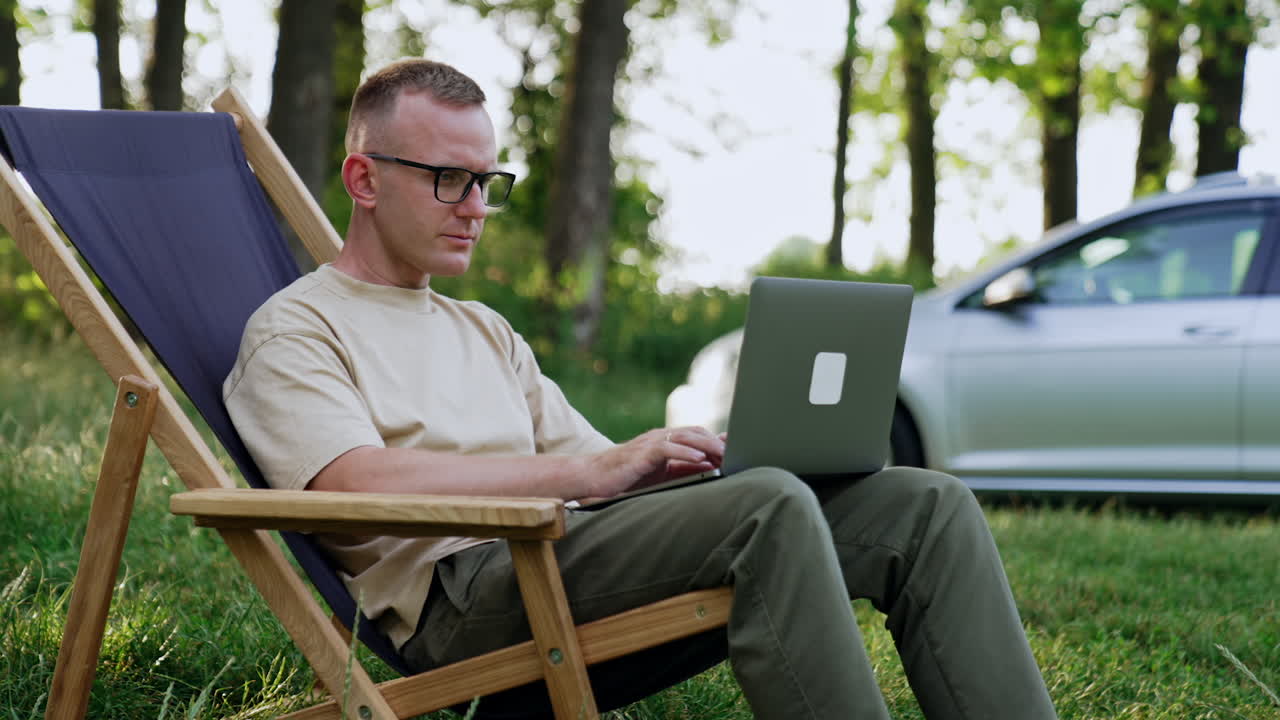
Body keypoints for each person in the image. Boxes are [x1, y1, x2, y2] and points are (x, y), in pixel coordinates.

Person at [224, 58, 1057, 719]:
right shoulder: (295, 329)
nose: (475, 207)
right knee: (768, 508)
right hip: (461, 596)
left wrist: (676, 465)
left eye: (487, 181)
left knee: (924, 506)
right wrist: (586, 477)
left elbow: (598, 468)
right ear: (364, 180)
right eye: (449, 179)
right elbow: (347, 484)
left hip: (557, 553)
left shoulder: (482, 328)